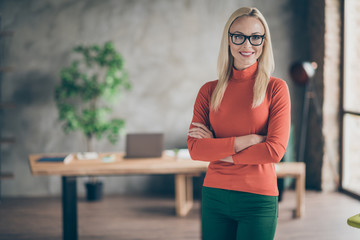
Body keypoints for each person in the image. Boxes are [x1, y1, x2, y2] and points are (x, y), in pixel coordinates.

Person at [187, 7, 290, 240]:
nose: (247, 45)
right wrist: (250, 140)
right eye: (238, 36)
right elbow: (195, 149)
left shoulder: (276, 89)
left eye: (255, 37)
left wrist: (217, 148)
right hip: (214, 196)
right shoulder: (209, 91)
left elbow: (274, 151)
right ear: (228, 40)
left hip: (258, 199)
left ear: (264, 42)